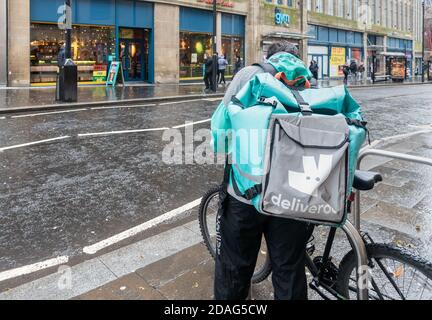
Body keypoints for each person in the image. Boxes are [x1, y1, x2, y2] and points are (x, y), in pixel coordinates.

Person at [212, 41, 314, 300]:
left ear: (268, 57)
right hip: (292, 197)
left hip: (245, 194)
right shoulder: (307, 81)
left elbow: (219, 134)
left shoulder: (248, 74)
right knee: (289, 272)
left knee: (234, 269)